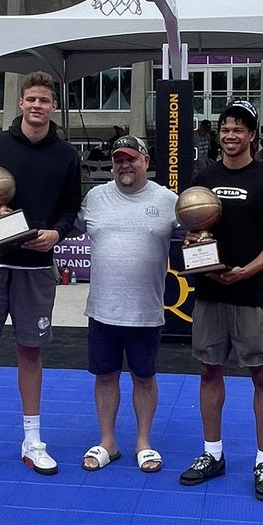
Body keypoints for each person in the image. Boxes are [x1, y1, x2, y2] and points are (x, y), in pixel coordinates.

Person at [0, 71, 82, 485]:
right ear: (20, 104)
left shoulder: (66, 155)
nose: (37, 106)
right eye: (31, 99)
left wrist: (58, 233)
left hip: (36, 269)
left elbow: (69, 209)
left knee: (31, 354)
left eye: (45, 100)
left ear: (53, 107)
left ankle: (32, 441)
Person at [179, 99, 263, 502]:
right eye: (226, 128)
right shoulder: (202, 180)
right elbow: (191, 234)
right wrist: (200, 264)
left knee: (262, 378)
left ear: (252, 135)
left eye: (239, 128)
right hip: (210, 293)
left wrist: (248, 269)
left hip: (252, 293)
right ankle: (213, 454)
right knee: (210, 372)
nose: (231, 134)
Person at [78, 135, 177, 473]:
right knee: (105, 376)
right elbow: (60, 224)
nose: (125, 165)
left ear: (146, 161)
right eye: (119, 159)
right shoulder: (94, 197)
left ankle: (143, 443)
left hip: (146, 310)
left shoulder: (169, 200)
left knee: (144, 378)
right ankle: (108, 442)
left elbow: (198, 232)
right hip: (102, 309)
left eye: (131, 159)